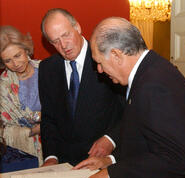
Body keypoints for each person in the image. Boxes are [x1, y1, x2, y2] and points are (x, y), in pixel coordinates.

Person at [74, 17, 185, 178]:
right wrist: (110, 160)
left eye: (99, 62)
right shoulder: (150, 72)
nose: (99, 70)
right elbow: (147, 138)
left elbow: (175, 158)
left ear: (116, 54)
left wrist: (112, 177)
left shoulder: (154, 84)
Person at [39, 9, 124, 166]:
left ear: (77, 27)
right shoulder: (47, 68)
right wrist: (50, 157)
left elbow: (130, 110)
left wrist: (111, 139)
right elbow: (48, 118)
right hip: (63, 165)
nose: (63, 45)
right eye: (55, 41)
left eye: (66, 35)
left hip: (104, 160)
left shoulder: (107, 57)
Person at [0, 26, 43, 165]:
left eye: (17, 55)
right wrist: (34, 130)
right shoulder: (3, 86)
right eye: (8, 60)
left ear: (26, 49)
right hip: (23, 157)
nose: (15, 64)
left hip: (60, 144)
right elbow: (3, 130)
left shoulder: (47, 70)